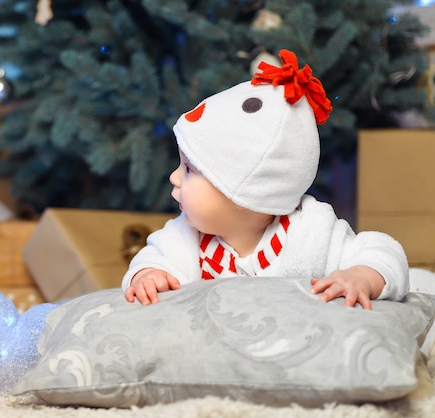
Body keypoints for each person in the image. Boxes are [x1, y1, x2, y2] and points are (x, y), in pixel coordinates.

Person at [121, 49, 409, 310]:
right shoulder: (184, 237)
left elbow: (383, 252)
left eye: (189, 170)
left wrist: (359, 276)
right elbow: (152, 257)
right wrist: (148, 275)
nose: (174, 177)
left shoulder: (312, 232)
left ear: (245, 194)